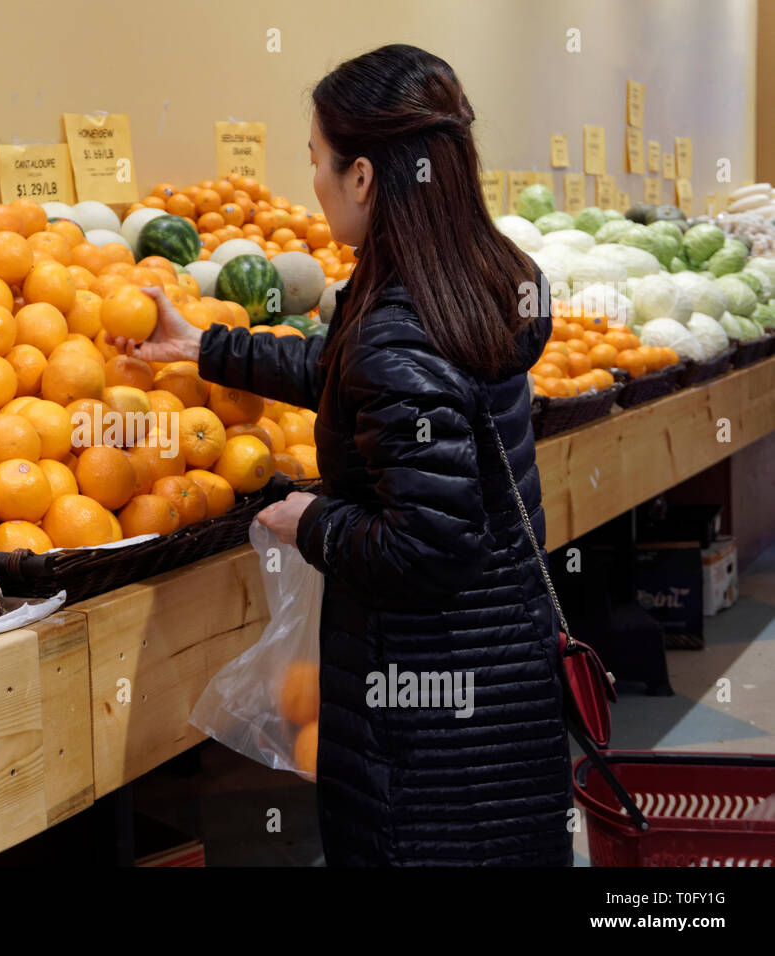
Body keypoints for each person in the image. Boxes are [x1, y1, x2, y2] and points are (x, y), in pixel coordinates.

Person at [117, 44, 572, 866]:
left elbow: (429, 541)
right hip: (500, 676)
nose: (315, 185)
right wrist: (203, 347)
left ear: (363, 176)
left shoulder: (401, 317)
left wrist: (312, 521)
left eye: (318, 163)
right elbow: (356, 379)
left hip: (431, 727)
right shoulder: (473, 277)